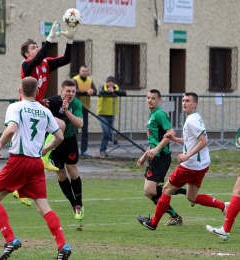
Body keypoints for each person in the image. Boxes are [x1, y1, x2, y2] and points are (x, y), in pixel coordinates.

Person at [0, 77, 72, 260]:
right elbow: (60, 136)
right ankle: (62, 245)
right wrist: (45, 149)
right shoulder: (45, 111)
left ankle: (10, 239)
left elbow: (11, 129)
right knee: (43, 207)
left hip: (18, 161)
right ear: (37, 92)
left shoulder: (15, 107)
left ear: (20, 91)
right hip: (35, 164)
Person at [137, 92, 229, 231]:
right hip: (201, 165)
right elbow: (191, 141)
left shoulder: (191, 121)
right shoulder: (195, 118)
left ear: (194, 104)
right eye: (183, 101)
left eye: (187, 101)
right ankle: (223, 206)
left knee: (167, 190)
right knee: (192, 197)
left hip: (190, 166)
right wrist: (175, 140)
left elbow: (203, 141)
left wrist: (187, 156)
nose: (184, 103)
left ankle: (153, 223)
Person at [13, 21, 78, 206]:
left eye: (38, 46)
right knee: (27, 154)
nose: (38, 49)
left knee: (60, 127)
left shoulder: (46, 63)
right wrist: (49, 39)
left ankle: (43, 156)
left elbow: (66, 59)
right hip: (27, 109)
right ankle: (38, 162)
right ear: (27, 53)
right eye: (34, 47)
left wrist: (70, 40)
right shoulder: (27, 64)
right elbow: (38, 57)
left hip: (39, 108)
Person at [137, 89, 186, 226]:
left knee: (150, 190)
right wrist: (144, 156)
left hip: (161, 157)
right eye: (148, 98)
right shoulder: (152, 115)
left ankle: (180, 193)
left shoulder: (159, 114)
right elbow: (155, 140)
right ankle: (175, 214)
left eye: (153, 98)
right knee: (149, 192)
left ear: (159, 100)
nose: (150, 100)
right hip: (155, 157)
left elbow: (170, 133)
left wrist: (157, 149)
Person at [46, 79, 85, 222]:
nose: (70, 94)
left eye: (73, 91)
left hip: (69, 140)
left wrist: (67, 111)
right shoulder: (52, 102)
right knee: (61, 174)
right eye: (68, 91)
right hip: (54, 142)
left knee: (72, 170)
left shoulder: (76, 103)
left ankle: (79, 204)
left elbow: (80, 124)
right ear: (61, 91)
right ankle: (73, 204)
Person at [97, 76, 126, 157]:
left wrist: (114, 91)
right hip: (102, 113)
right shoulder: (102, 87)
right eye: (109, 82)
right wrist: (112, 93)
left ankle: (102, 150)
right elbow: (101, 93)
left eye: (112, 82)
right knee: (106, 131)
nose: (110, 83)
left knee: (105, 133)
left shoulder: (116, 88)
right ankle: (113, 139)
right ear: (106, 82)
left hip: (111, 113)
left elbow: (124, 93)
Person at [73, 65, 97, 158]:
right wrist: (86, 92)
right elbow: (75, 90)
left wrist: (92, 91)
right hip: (76, 108)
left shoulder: (90, 80)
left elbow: (95, 90)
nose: (84, 72)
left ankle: (83, 151)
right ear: (80, 71)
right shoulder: (75, 79)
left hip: (85, 108)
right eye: (83, 71)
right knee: (74, 130)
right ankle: (74, 150)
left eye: (86, 71)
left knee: (85, 130)